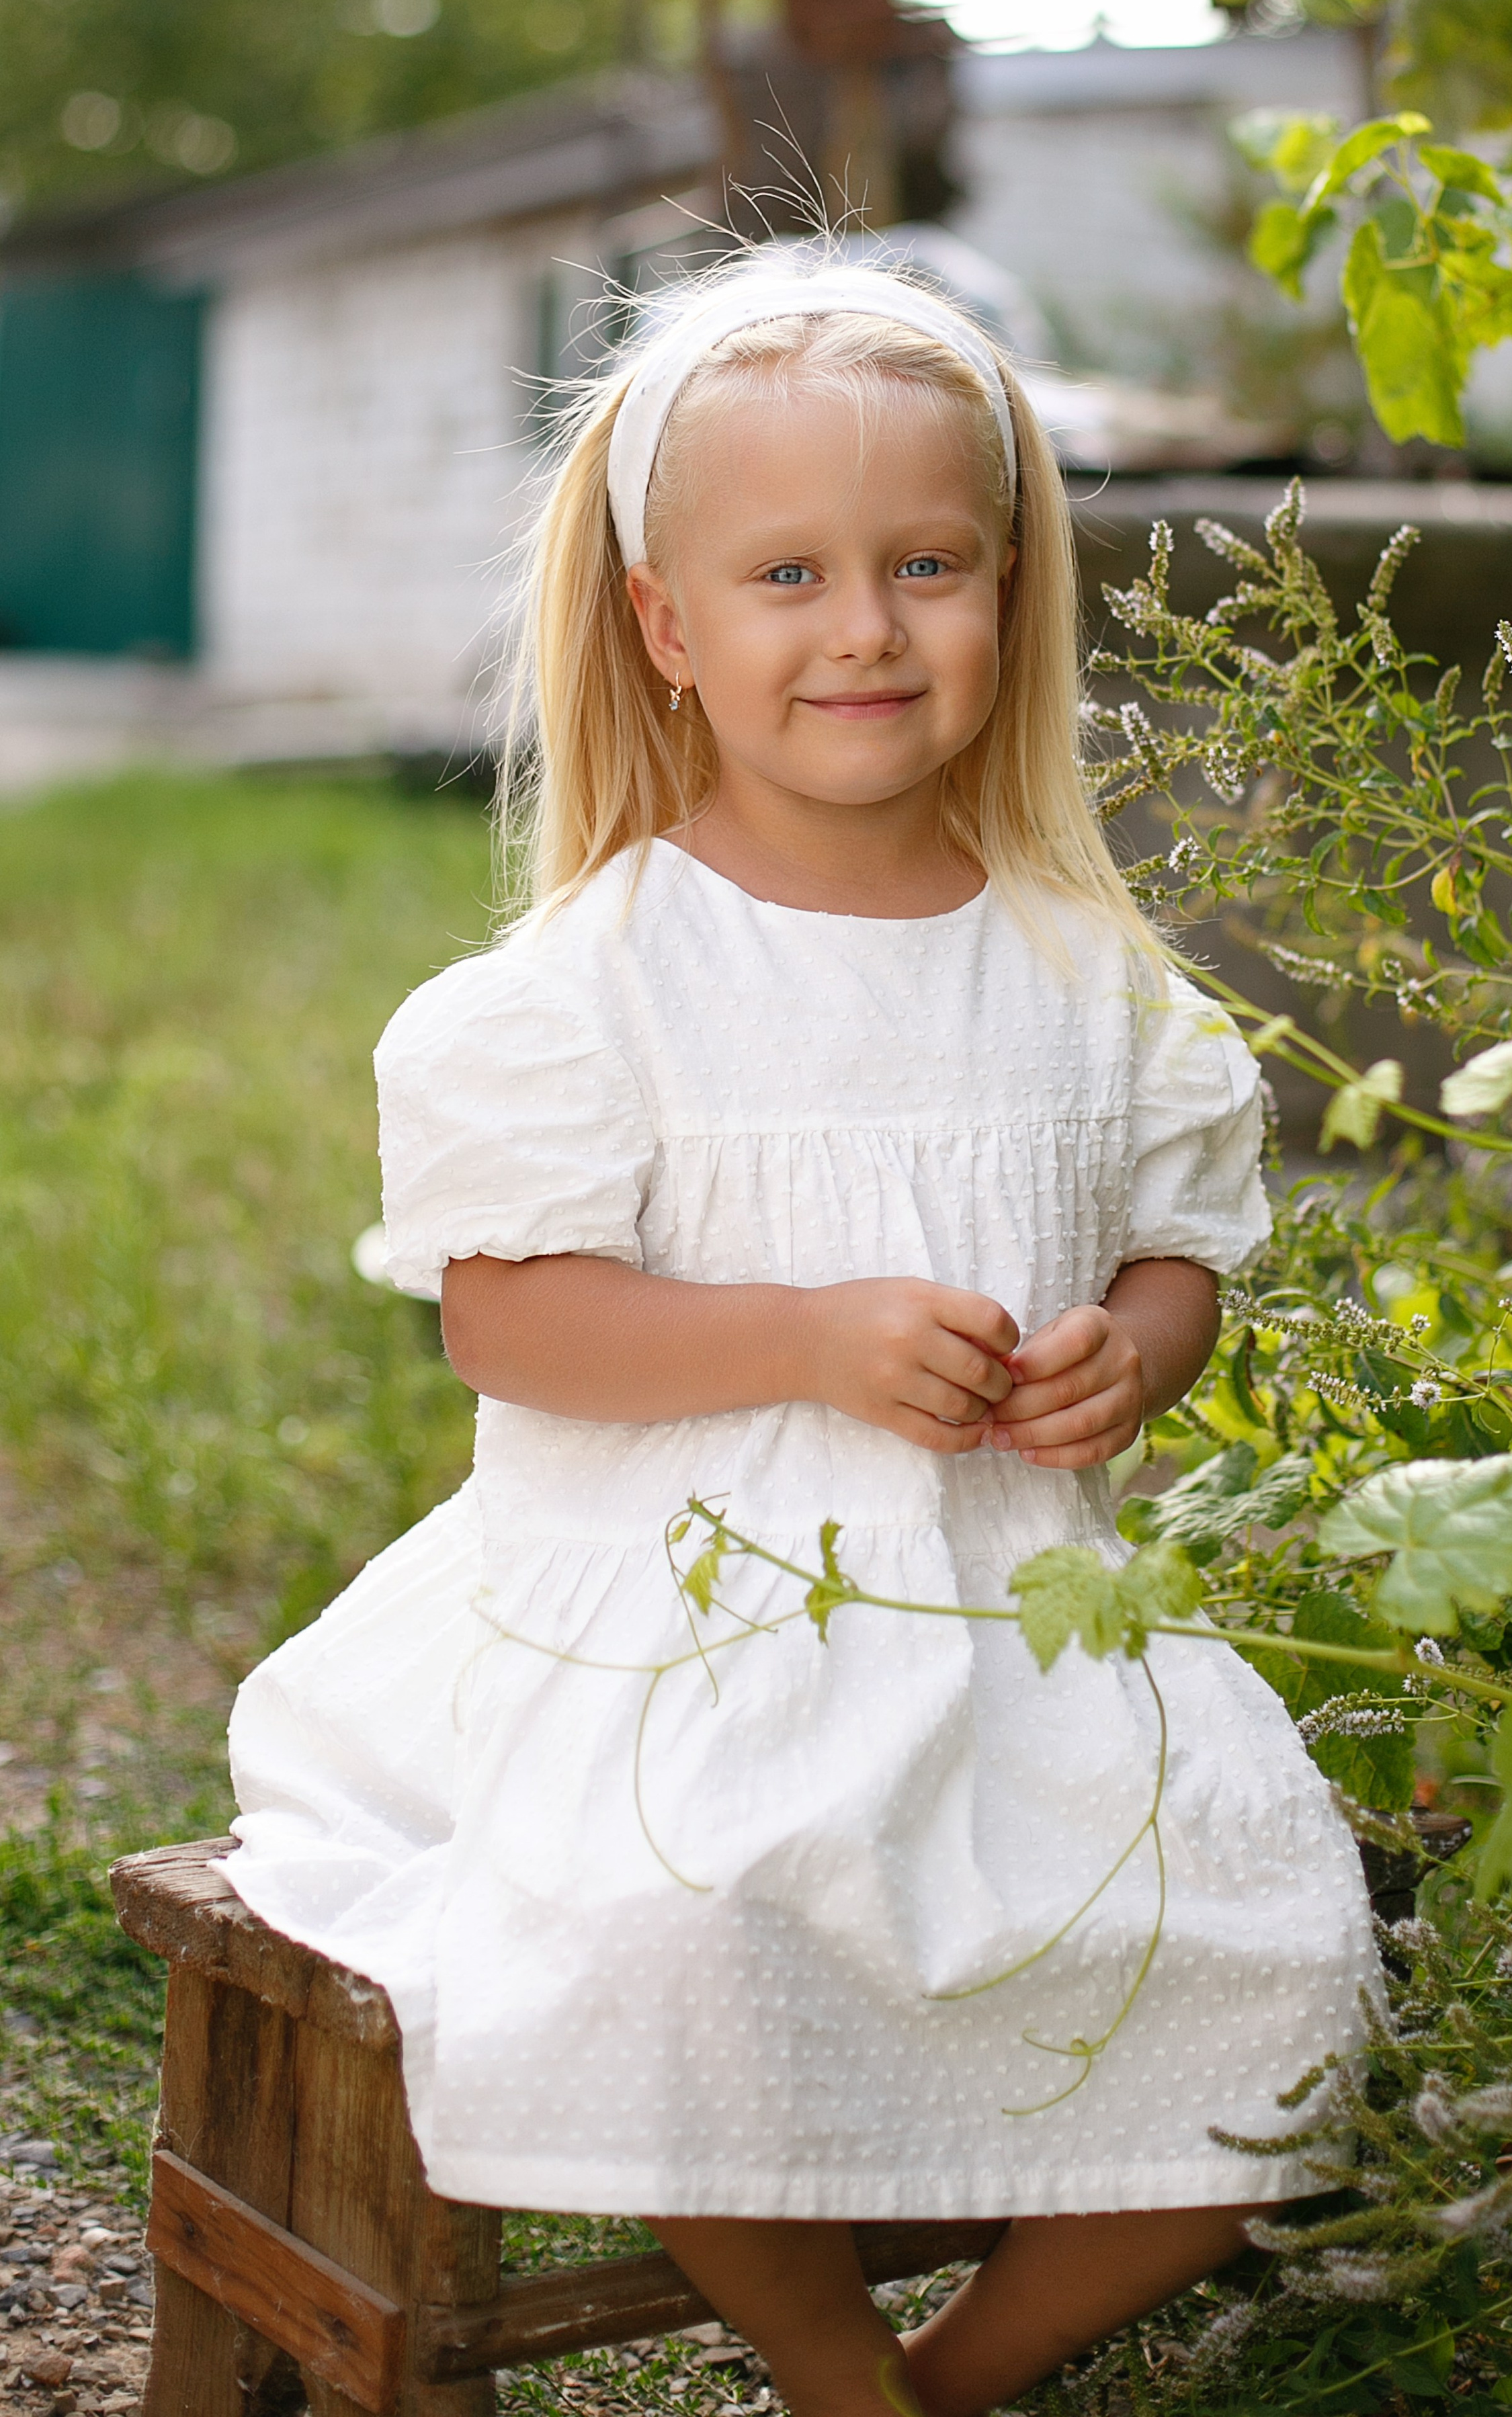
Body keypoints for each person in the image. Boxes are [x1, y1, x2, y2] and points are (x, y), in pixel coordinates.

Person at [226, 253, 1379, 2417]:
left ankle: (954, 2384)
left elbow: (1173, 1254)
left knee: (1295, 1971)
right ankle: (834, 2375)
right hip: (685, 1623)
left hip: (1028, 1626)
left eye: (926, 563)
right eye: (789, 574)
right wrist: (805, 1335)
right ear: (669, 625)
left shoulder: (1083, 973)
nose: (865, 626)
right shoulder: (594, 988)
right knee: (677, 1934)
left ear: (1009, 591)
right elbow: (511, 1321)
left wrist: (1139, 1347)